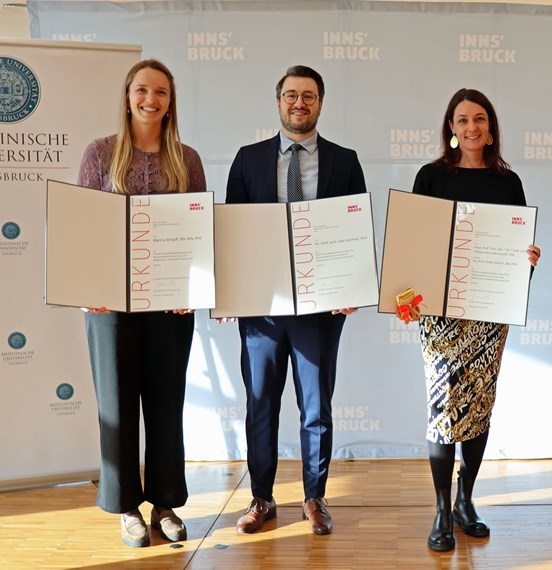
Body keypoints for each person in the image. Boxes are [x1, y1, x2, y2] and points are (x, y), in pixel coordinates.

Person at [223, 65, 366, 536]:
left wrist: (353, 288)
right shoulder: (247, 159)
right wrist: (229, 294)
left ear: (321, 103)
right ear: (278, 101)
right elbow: (234, 236)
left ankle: (314, 496)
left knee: (316, 407)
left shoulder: (345, 161)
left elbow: (354, 233)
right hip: (262, 310)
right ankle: (261, 498)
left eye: (308, 96)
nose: (299, 103)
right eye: (290, 95)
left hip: (321, 310)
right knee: (260, 402)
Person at [77, 59, 205, 548]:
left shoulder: (186, 158)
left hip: (170, 304)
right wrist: (87, 287)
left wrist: (194, 290)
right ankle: (126, 505)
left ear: (171, 102)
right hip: (109, 303)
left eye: (162, 92)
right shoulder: (100, 152)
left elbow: (195, 233)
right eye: (142, 90)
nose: (151, 100)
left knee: (166, 402)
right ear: (127, 95)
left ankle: (166, 503)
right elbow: (84, 226)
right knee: (117, 402)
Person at [412, 88, 541, 552]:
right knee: (443, 409)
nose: (472, 128)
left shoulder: (508, 182)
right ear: (450, 126)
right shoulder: (430, 177)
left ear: (491, 127)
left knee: (478, 404)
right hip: (441, 313)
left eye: (480, 119)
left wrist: (526, 256)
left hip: (489, 311)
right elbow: (415, 242)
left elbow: (514, 251)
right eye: (463, 120)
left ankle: (467, 500)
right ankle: (443, 510)